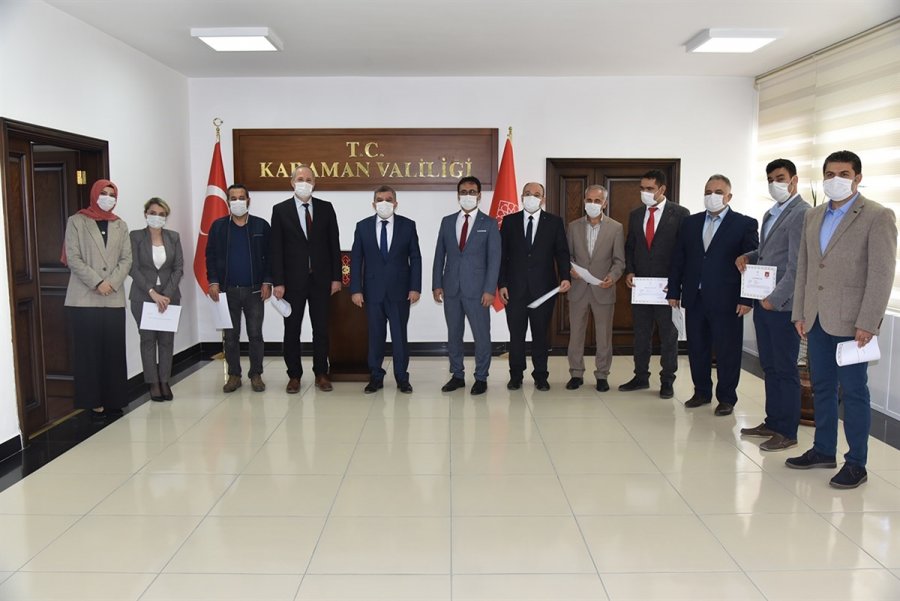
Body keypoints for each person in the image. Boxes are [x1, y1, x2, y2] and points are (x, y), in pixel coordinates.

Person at [787, 150, 897, 488]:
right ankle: (823, 450)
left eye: (844, 174)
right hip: (817, 318)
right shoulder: (813, 215)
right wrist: (800, 312)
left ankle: (856, 463)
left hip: (853, 323)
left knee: (853, 392)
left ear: (857, 178)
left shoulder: (877, 216)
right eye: (830, 174)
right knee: (821, 386)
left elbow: (881, 274)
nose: (836, 179)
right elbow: (806, 267)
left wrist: (868, 321)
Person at [667, 174, 758, 416]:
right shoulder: (690, 223)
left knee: (728, 350)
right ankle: (701, 392)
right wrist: (674, 290)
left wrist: (746, 299)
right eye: (708, 192)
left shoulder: (744, 224)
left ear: (729, 196)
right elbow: (679, 259)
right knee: (697, 348)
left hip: (728, 300)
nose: (712, 196)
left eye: (718, 192)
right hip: (695, 298)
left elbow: (752, 263)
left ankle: (727, 398)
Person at [736, 159, 810, 451]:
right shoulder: (770, 213)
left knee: (785, 368)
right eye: (770, 179)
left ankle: (787, 431)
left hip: (782, 306)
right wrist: (749, 256)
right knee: (769, 365)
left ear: (794, 180)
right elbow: (769, 252)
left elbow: (797, 265)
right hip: (763, 301)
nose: (774, 184)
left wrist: (775, 299)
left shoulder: (802, 213)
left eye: (780, 178)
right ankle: (773, 421)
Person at [63, 179, 132, 420]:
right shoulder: (77, 221)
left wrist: (110, 283)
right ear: (94, 194)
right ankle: (92, 401)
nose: (107, 197)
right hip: (84, 298)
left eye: (112, 194)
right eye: (103, 193)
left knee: (113, 351)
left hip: (113, 297)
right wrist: (97, 282)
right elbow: (73, 257)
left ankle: (114, 398)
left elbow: (127, 259)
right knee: (89, 353)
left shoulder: (120, 225)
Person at [270, 165, 342, 394]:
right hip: (292, 282)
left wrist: (336, 278)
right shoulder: (280, 210)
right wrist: (278, 282)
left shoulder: (326, 208)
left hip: (321, 280)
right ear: (292, 182)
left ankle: (321, 373)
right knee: (292, 330)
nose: (304, 182)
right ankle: (294, 376)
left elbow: (334, 245)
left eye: (308, 179)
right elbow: (276, 249)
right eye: (300, 178)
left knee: (321, 329)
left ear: (314, 183)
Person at [620, 170, 689, 399]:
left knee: (668, 336)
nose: (645, 192)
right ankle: (640, 376)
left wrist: (677, 282)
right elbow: (630, 246)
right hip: (641, 288)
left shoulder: (680, 214)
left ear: (662, 189)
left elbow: (684, 252)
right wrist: (630, 271)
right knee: (641, 335)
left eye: (649, 188)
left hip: (667, 289)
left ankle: (667, 381)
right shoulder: (636, 214)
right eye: (642, 188)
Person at [498, 182, 571, 391]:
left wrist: (565, 277)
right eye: (528, 193)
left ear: (543, 199)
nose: (532, 197)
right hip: (514, 289)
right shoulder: (509, 221)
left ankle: (541, 375)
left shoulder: (554, 222)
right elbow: (502, 255)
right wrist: (502, 283)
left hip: (544, 290)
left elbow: (562, 253)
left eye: (537, 194)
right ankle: (516, 375)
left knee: (540, 334)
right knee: (516, 335)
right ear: (522, 196)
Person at [350, 185, 422, 394]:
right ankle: (375, 377)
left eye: (388, 199)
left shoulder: (408, 226)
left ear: (395, 203)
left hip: (400, 292)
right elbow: (356, 259)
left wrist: (415, 287)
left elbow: (415, 258)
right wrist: (356, 289)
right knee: (375, 336)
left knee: (399, 337)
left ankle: (402, 378)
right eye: (380, 199)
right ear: (373, 204)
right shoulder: (362, 226)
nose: (384, 203)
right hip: (372, 292)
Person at [433, 176, 501, 395]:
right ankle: (457, 375)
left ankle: (481, 377)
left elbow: (494, 260)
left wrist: (490, 290)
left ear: (479, 196)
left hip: (478, 291)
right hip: (451, 288)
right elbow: (439, 255)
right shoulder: (447, 221)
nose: (468, 196)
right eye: (464, 192)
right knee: (454, 334)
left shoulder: (489, 224)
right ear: (458, 195)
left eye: (472, 192)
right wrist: (436, 284)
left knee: (481, 336)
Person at [206, 184, 272, 393]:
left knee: (255, 335)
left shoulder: (261, 225)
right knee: (231, 336)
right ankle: (234, 375)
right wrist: (213, 281)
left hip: (255, 290)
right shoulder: (218, 227)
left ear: (248, 201)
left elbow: (270, 256)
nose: (237, 202)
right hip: (227, 291)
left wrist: (267, 281)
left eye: (241, 198)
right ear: (227, 202)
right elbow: (210, 256)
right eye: (233, 198)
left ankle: (256, 374)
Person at [565, 185, 625, 392]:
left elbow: (619, 261)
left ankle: (602, 375)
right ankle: (576, 373)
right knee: (576, 334)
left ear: (604, 204)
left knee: (603, 336)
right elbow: (567, 256)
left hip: (603, 289)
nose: (592, 204)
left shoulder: (616, 228)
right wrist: (570, 269)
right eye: (589, 200)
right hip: (578, 289)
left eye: (597, 201)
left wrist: (613, 277)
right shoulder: (573, 227)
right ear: (584, 201)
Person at [129, 197, 184, 402]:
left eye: (161, 214)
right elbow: (133, 268)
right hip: (143, 296)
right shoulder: (135, 236)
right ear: (146, 214)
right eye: (153, 213)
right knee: (148, 340)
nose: (157, 217)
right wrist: (152, 292)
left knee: (167, 341)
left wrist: (166, 294)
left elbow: (178, 267)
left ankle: (165, 381)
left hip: (170, 297)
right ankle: (153, 383)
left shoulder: (173, 237)